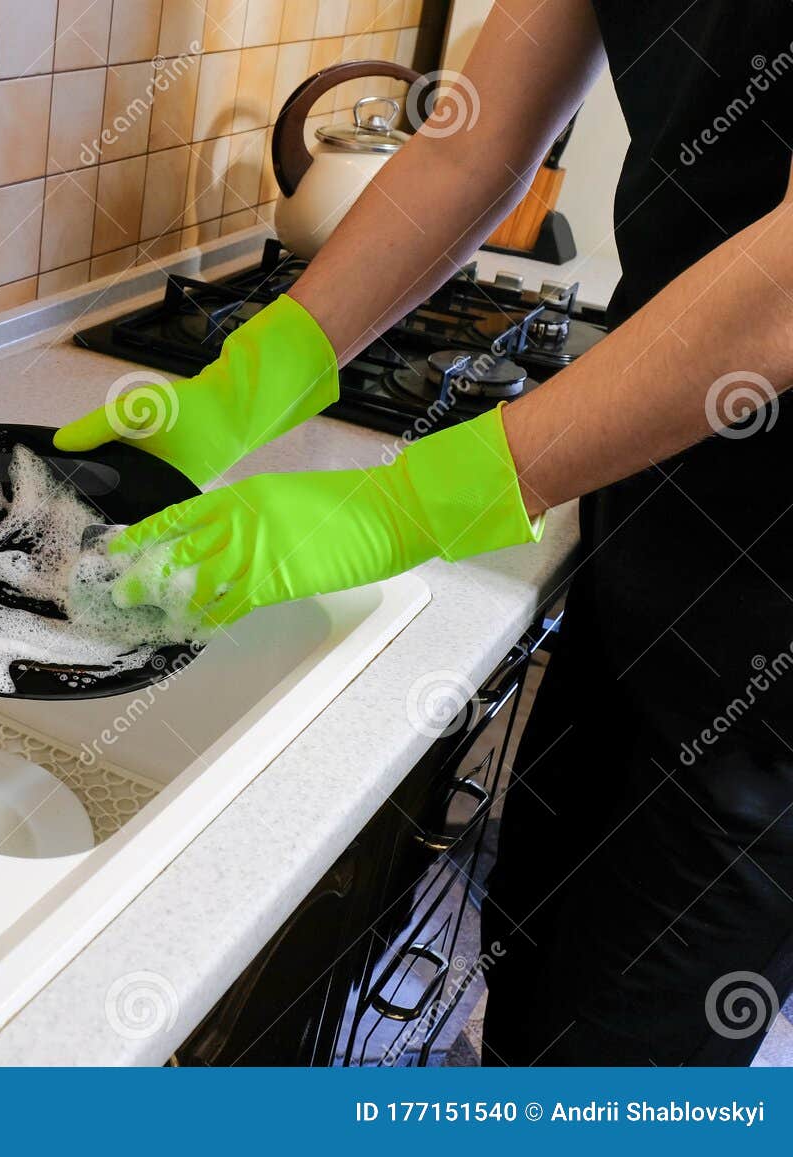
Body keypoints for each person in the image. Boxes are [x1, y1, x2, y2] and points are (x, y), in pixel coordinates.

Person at [56, 0, 793, 1065]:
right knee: (535, 931)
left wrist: (410, 505)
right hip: (652, 479)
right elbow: (470, 144)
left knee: (631, 1037)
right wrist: (251, 380)